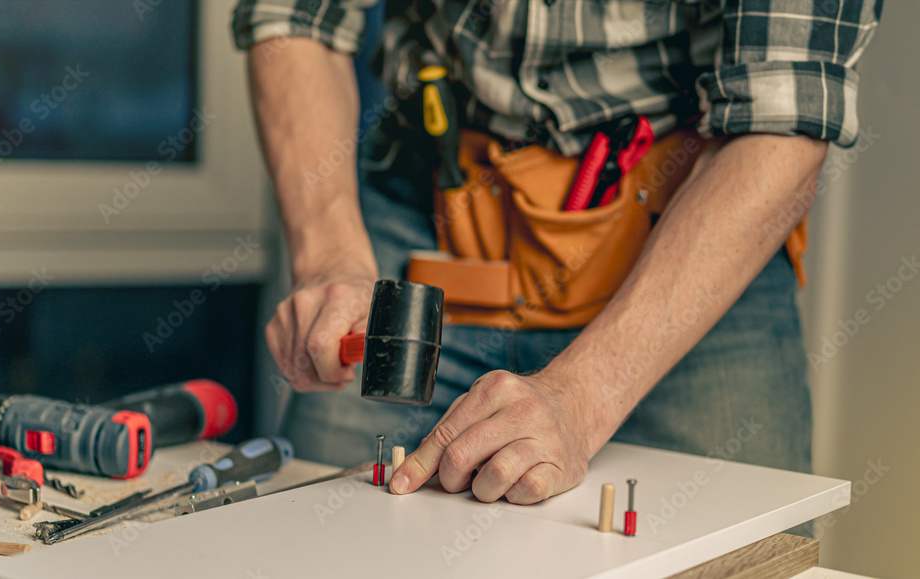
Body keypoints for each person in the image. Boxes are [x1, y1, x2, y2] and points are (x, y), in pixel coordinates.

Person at [231, 0, 882, 509]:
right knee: (328, 525)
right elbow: (295, 18)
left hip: (692, 240)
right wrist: (329, 259)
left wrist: (584, 395)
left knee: (730, 546)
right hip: (425, 210)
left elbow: (783, 113)